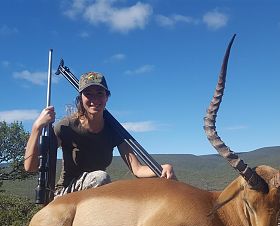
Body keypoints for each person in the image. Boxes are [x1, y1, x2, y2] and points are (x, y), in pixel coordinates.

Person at [24, 71, 176, 197]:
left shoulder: (114, 129)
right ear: (80, 98)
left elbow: (137, 170)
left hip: (97, 192)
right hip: (67, 193)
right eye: (88, 94)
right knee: (101, 177)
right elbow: (30, 167)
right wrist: (37, 127)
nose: (94, 99)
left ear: (107, 97)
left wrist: (162, 168)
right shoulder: (66, 126)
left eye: (99, 93)